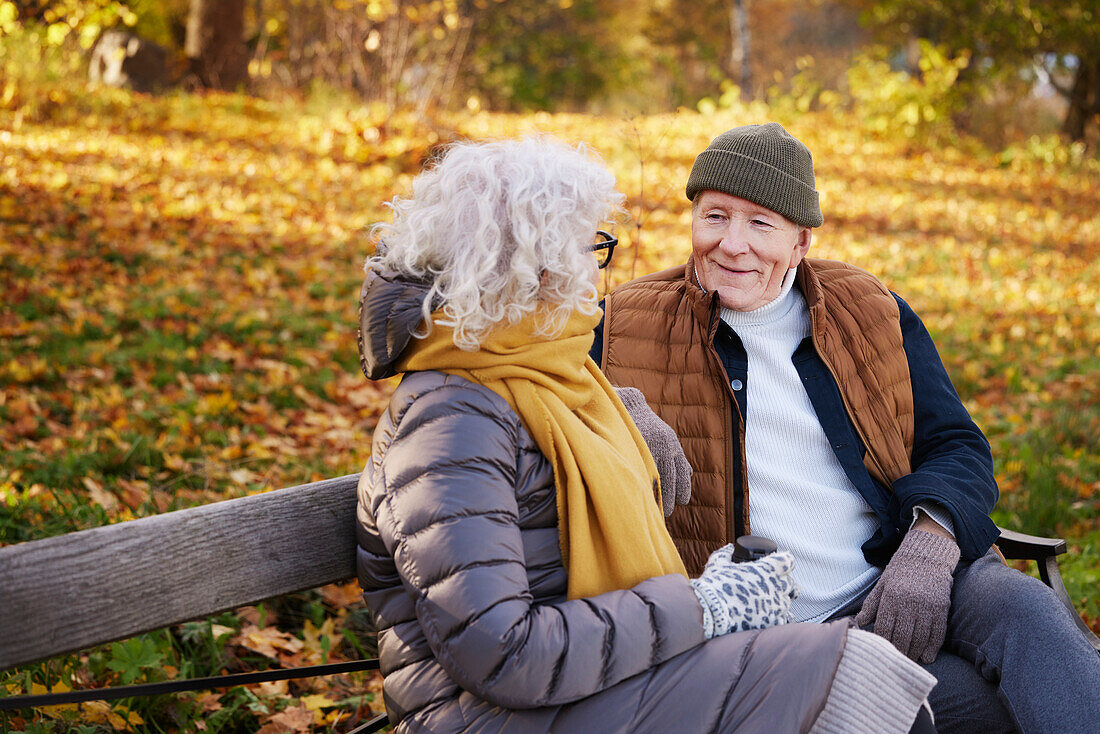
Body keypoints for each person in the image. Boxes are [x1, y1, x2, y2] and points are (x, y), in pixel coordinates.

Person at [354, 136, 938, 733]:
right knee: (847, 668)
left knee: (860, 671)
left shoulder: (548, 376)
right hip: (490, 716)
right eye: (588, 247)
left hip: (592, 685)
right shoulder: (451, 423)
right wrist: (706, 606)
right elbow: (504, 652)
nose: (595, 271)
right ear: (532, 266)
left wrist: (620, 414)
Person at [591, 122, 1100, 734]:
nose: (731, 244)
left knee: (1027, 612)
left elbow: (956, 445)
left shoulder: (870, 309)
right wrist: (612, 400)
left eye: (761, 223)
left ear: (802, 241)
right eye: (715, 216)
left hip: (898, 578)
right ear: (692, 220)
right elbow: (522, 371)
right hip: (777, 636)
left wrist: (932, 543)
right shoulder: (622, 324)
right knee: (964, 709)